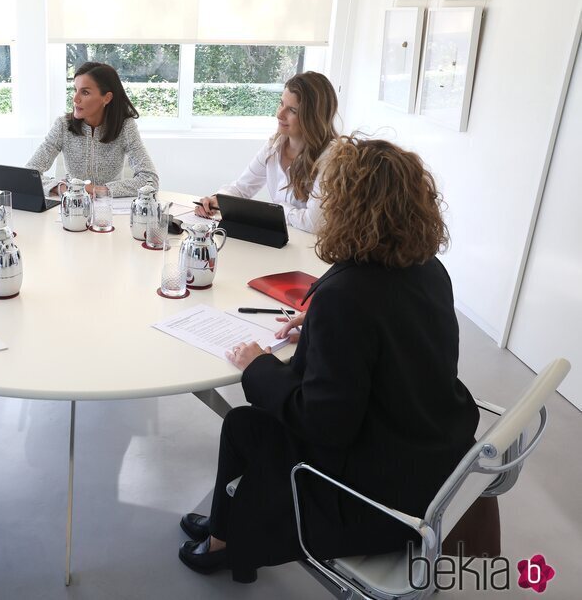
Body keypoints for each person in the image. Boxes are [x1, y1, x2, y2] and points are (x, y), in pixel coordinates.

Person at [177, 136, 479, 584]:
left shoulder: (348, 294)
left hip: (376, 498)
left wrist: (259, 364)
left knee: (246, 425)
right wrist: (318, 330)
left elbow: (324, 424)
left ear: (350, 206)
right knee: (244, 425)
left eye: (329, 194)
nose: (322, 203)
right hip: (429, 459)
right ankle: (226, 531)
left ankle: (228, 541)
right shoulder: (427, 269)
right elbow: (391, 339)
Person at [194, 71, 338, 233]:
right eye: (281, 103)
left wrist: (277, 209)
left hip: (312, 251)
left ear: (313, 117)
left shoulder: (331, 158)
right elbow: (242, 188)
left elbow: (313, 223)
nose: (279, 114)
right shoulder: (274, 145)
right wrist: (218, 200)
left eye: (292, 110)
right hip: (283, 242)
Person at [25, 61, 159, 197]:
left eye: (85, 92)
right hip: (72, 208)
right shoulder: (63, 125)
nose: (76, 99)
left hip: (110, 210)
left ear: (107, 98)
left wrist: (101, 190)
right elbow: (28, 174)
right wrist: (64, 189)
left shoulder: (125, 127)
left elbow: (150, 180)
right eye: (75, 90)